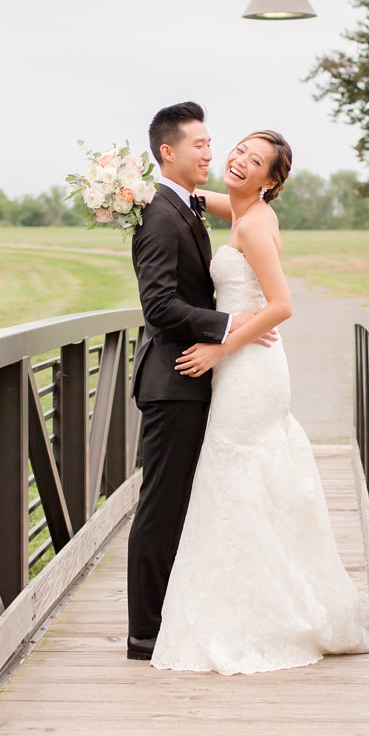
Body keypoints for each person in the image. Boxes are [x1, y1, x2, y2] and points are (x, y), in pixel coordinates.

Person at [150, 130, 369, 674]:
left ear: (271, 181)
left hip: (249, 367)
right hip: (245, 363)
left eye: (254, 161)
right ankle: (262, 593)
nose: (237, 160)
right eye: (237, 151)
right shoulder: (242, 207)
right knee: (244, 479)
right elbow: (197, 198)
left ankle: (256, 614)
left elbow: (281, 306)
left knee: (232, 475)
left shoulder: (252, 225)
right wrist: (141, 191)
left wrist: (217, 349)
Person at [125, 101, 270, 662]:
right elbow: (159, 305)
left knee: (180, 503)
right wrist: (232, 324)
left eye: (214, 144)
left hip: (189, 378)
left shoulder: (182, 204)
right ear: (169, 152)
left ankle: (167, 619)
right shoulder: (160, 216)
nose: (211, 152)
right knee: (160, 508)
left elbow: (247, 209)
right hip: (173, 380)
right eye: (201, 145)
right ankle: (145, 632)